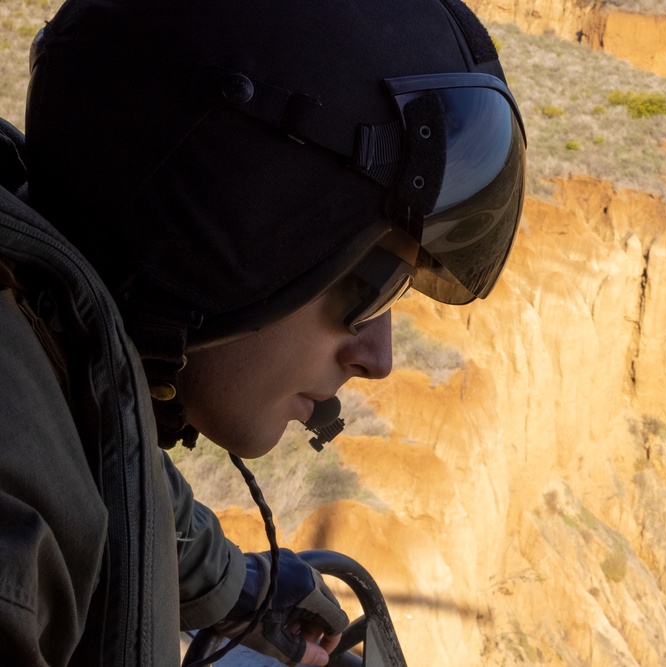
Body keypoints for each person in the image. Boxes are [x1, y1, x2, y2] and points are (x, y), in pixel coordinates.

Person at [0, 0, 526, 664]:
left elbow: (120, 473)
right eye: (372, 288)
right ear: (223, 229)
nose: (379, 357)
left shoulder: (52, 333)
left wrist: (246, 588)